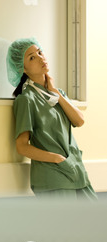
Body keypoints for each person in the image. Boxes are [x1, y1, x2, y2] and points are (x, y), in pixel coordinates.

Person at [7, 37, 98, 201]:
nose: (41, 58)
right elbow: (22, 146)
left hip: (76, 171)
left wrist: (57, 93)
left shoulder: (57, 94)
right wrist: (56, 159)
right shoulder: (26, 99)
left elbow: (79, 120)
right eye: (32, 57)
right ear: (23, 69)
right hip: (53, 177)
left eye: (40, 52)